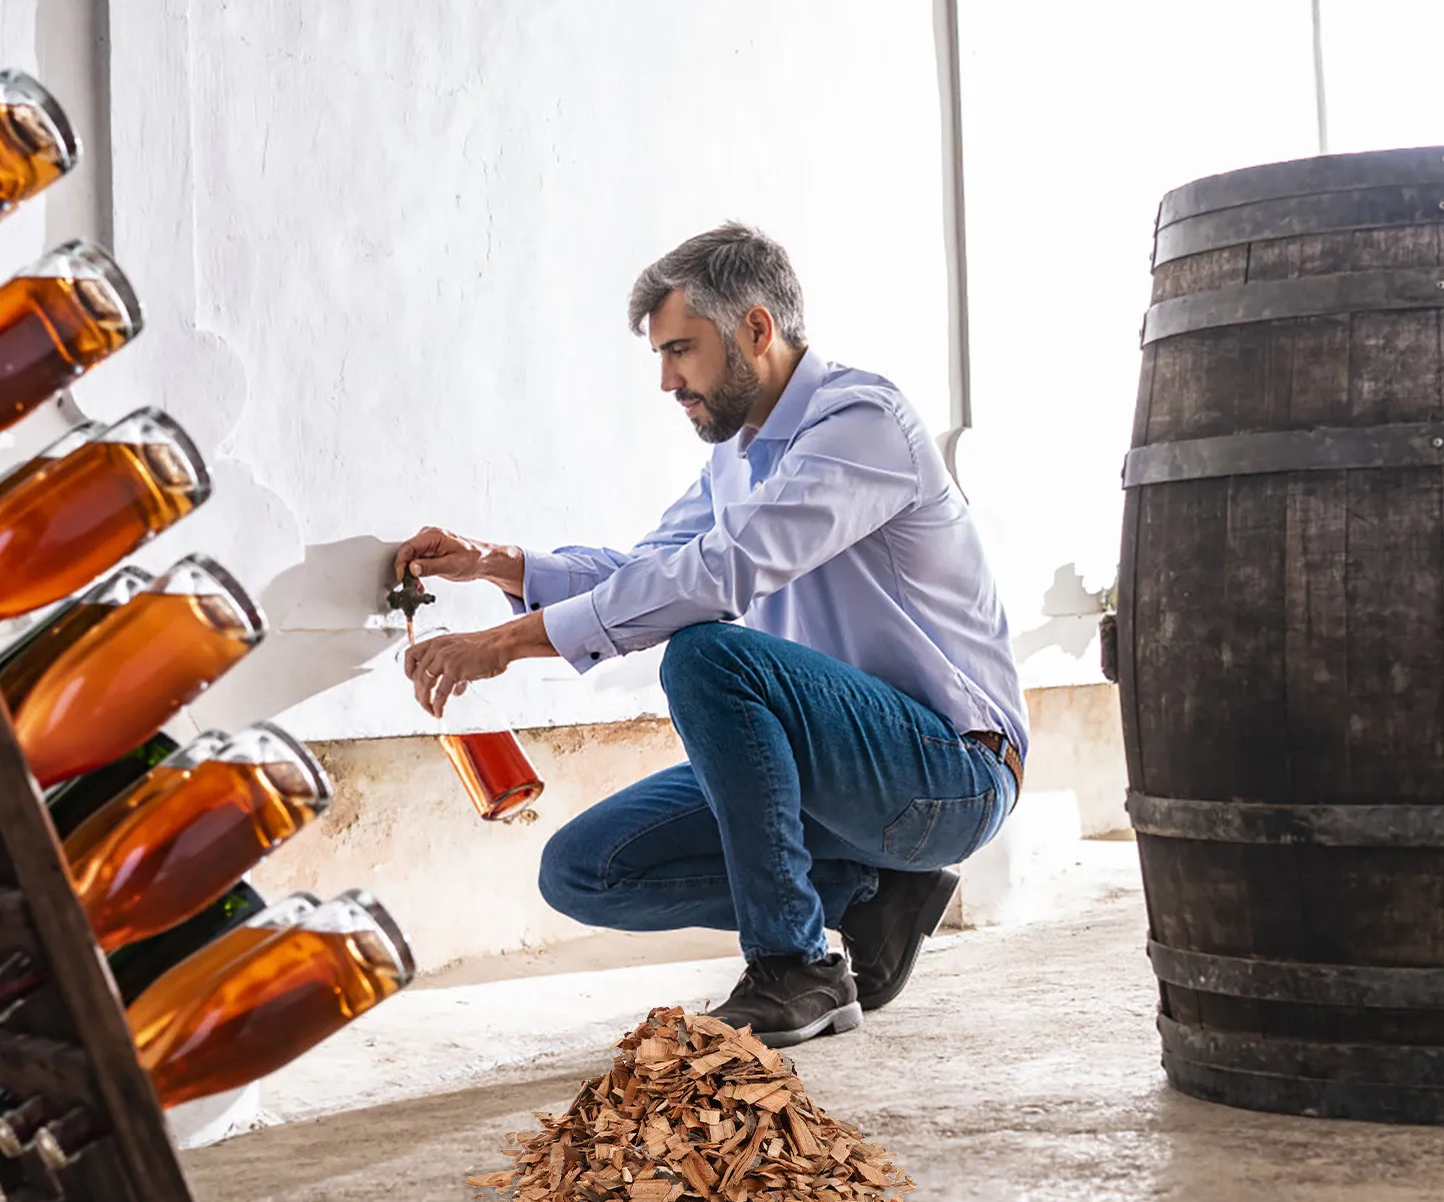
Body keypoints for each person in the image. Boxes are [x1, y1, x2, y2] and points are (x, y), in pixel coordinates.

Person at [394, 223, 1026, 1047]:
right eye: (661, 356)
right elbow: (653, 567)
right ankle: (871, 900)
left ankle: (794, 967)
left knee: (708, 653)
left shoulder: (862, 423)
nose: (666, 380)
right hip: (827, 776)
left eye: (681, 351)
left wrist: (507, 644)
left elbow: (719, 576)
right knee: (585, 869)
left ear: (756, 331)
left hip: (950, 770)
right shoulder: (737, 457)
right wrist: (496, 563)